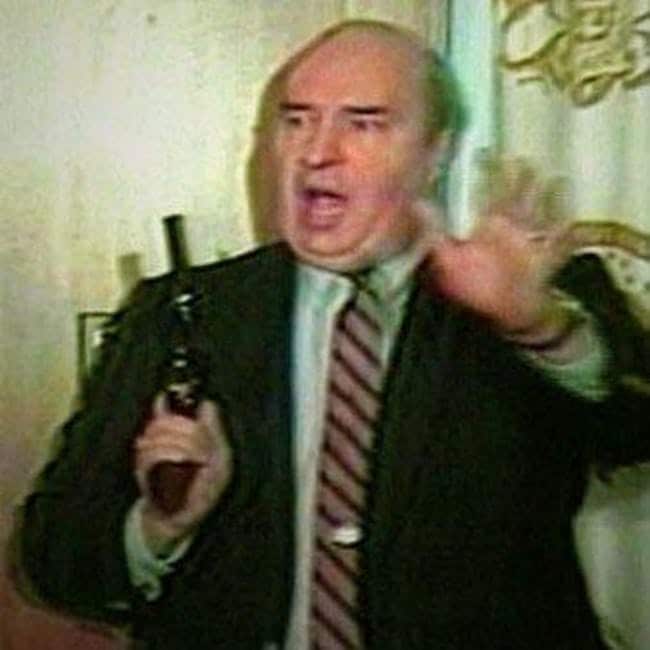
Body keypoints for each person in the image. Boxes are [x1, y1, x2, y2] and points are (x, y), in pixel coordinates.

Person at [10, 19, 648, 650]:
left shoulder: (535, 299)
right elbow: (55, 560)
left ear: (436, 153)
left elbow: (634, 429)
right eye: (296, 121)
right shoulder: (183, 312)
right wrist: (160, 526)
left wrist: (538, 324)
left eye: (363, 123)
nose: (317, 152)